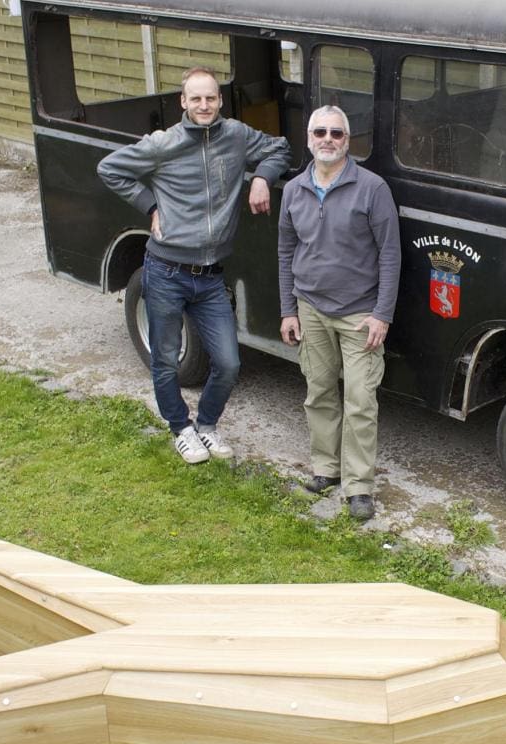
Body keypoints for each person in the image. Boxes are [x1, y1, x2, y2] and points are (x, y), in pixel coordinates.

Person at [98, 66, 290, 464]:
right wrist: (149, 205)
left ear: (220, 101)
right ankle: (181, 429)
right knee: (166, 359)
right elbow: (110, 169)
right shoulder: (162, 144)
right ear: (183, 102)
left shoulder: (236, 135)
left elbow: (278, 148)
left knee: (229, 362)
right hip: (165, 270)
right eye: (196, 99)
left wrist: (260, 178)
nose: (204, 105)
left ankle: (207, 425)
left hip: (210, 276)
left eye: (211, 98)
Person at [278, 106, 400, 519]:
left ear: (348, 141)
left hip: (359, 314)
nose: (327, 139)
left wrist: (382, 313)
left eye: (336, 133)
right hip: (309, 308)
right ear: (308, 138)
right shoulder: (294, 190)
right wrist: (288, 310)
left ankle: (359, 487)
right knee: (319, 392)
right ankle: (325, 470)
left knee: (361, 399)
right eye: (319, 132)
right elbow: (285, 251)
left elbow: (390, 255)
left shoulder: (372, 188)